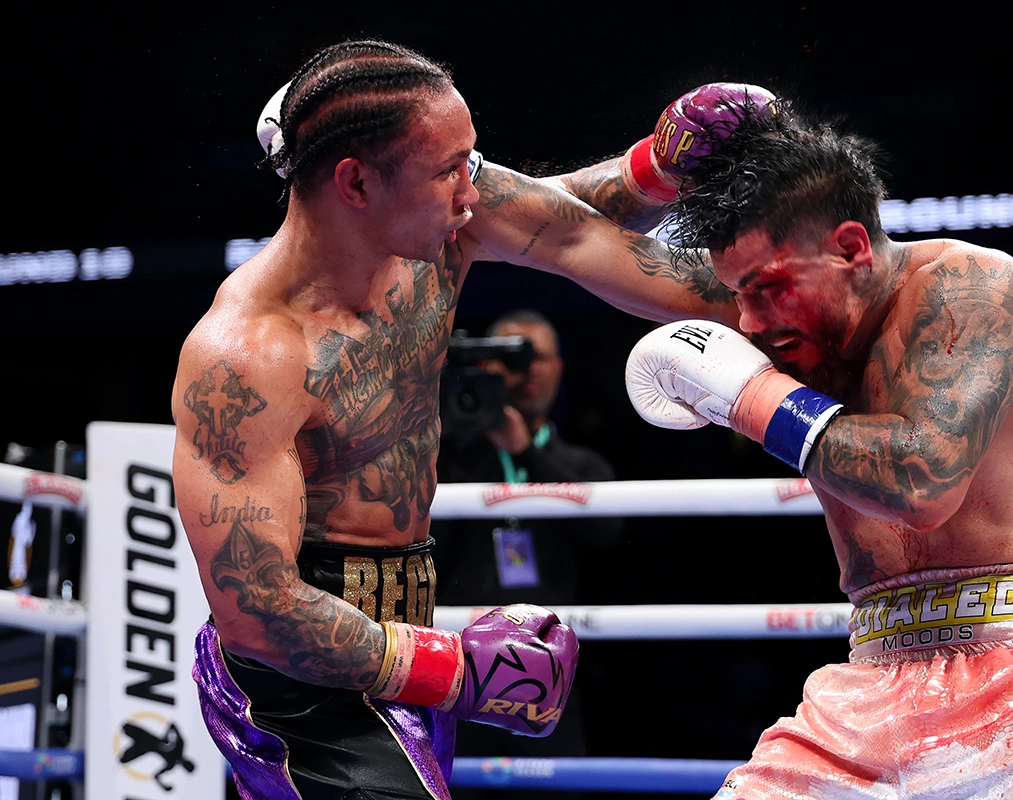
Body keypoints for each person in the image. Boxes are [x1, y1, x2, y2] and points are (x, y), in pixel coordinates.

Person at [170, 38, 761, 799]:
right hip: (297, 688)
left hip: (401, 634)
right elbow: (258, 611)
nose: (473, 188)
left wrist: (678, 181)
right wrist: (457, 668)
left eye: (470, 162)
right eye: (449, 169)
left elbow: (572, 222)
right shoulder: (248, 356)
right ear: (354, 183)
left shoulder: (438, 228)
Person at [624, 97, 1013, 798]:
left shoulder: (973, 286)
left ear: (850, 247)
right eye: (737, 294)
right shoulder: (782, 319)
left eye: (766, 289)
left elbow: (922, 483)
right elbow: (561, 239)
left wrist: (752, 398)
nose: (745, 322)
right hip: (869, 684)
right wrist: (642, 170)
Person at [433, 309, 623, 799]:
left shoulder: (580, 464)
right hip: (461, 670)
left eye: (534, 358)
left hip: (554, 676)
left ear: (558, 369)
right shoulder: (445, 459)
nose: (526, 372)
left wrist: (524, 452)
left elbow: (608, 531)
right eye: (510, 360)